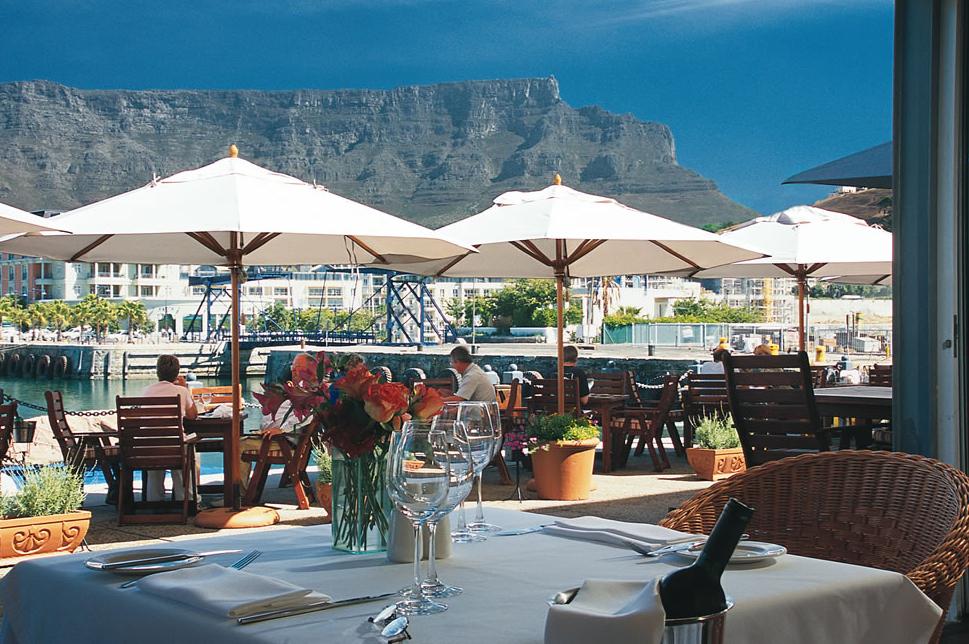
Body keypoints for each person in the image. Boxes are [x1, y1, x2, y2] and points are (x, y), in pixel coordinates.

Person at [141, 355, 197, 503]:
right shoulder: (181, 391)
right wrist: (185, 388)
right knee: (186, 451)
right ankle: (187, 500)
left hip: (149, 447)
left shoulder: (146, 391)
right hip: (175, 446)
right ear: (177, 373)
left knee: (154, 468)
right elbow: (193, 415)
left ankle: (154, 501)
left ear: (157, 372)